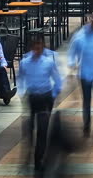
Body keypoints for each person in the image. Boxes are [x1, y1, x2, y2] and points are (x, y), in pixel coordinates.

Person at [18, 35, 62, 171]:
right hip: (32, 97)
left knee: (42, 130)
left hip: (45, 97)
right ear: (32, 48)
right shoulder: (24, 62)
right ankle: (29, 150)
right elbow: (20, 79)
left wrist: (53, 95)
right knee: (29, 127)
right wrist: (22, 92)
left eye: (40, 47)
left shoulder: (48, 62)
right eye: (35, 47)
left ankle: (38, 159)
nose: (37, 49)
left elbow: (58, 80)